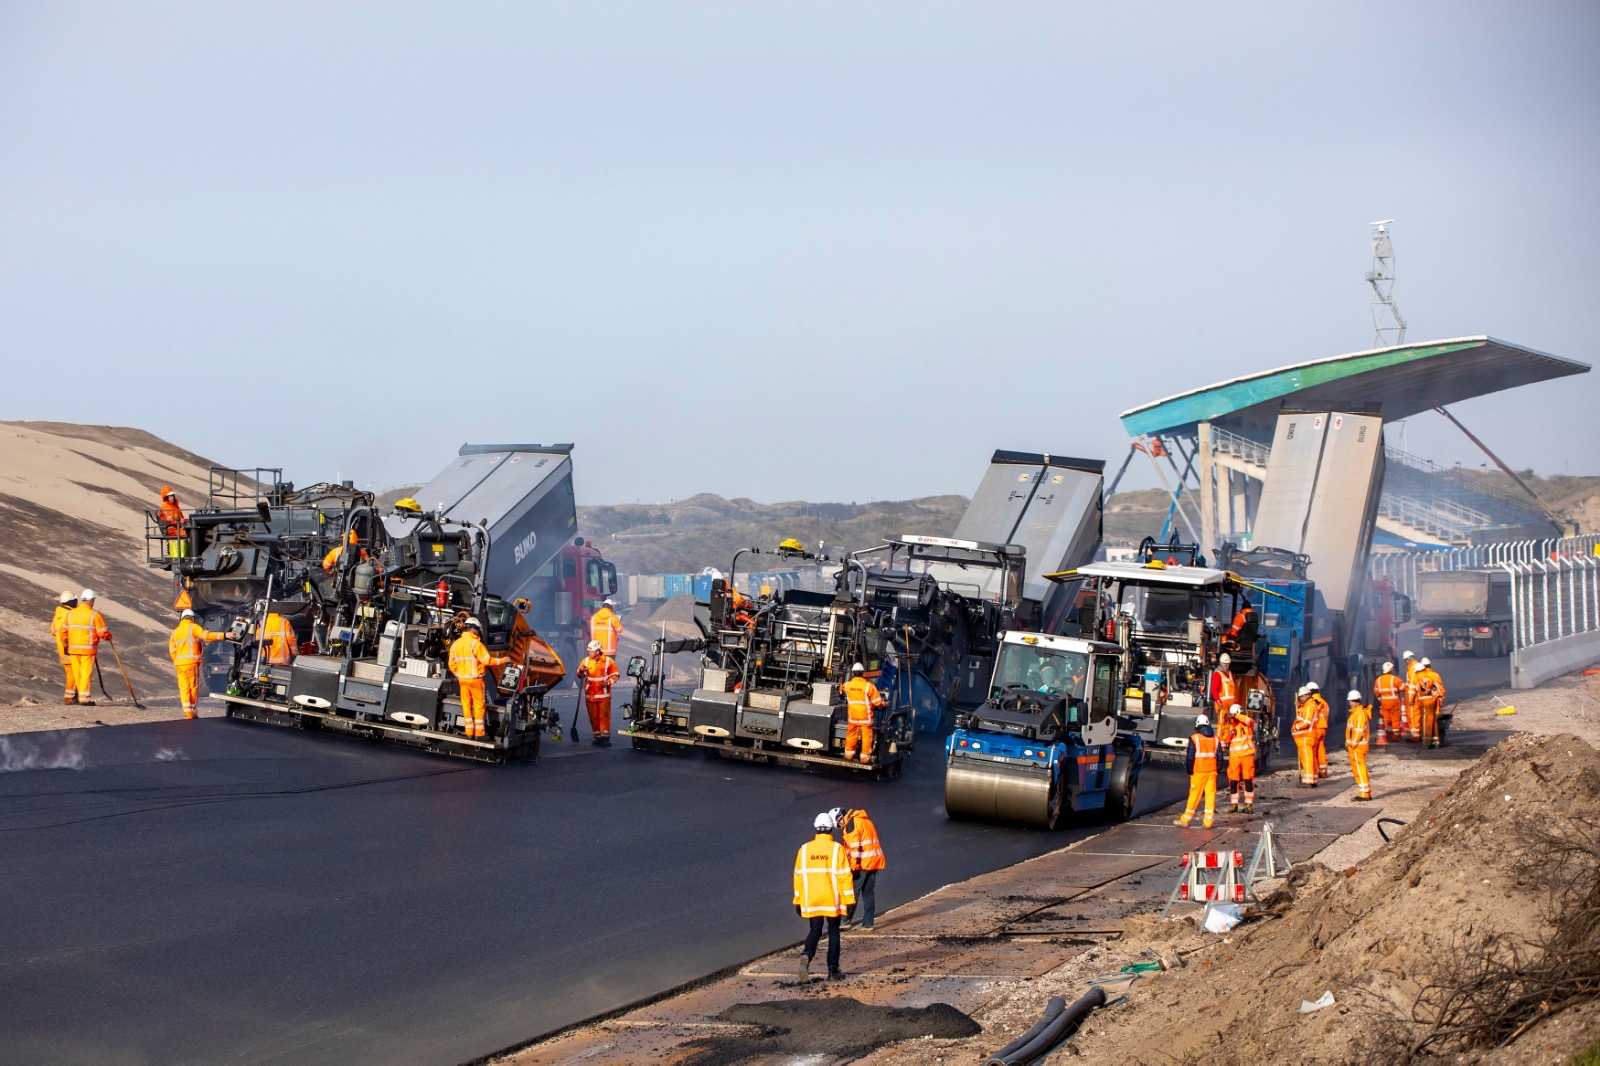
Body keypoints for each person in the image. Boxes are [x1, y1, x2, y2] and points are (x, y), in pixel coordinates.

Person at [793, 810, 854, 980]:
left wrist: (798, 900)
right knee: (833, 931)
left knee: (815, 929)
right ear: (830, 829)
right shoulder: (837, 849)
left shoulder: (804, 849)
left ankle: (807, 954)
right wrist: (849, 900)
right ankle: (832, 971)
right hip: (831, 899)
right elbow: (844, 876)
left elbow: (798, 876)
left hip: (812, 899)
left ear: (816, 828)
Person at [448, 617, 508, 740]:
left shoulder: (456, 644)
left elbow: (451, 664)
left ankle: (469, 732)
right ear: (473, 629)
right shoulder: (476, 644)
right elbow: (487, 661)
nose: (478, 631)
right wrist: (503, 660)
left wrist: (459, 674)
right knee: (479, 705)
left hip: (462, 680)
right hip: (475, 680)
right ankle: (479, 734)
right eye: (477, 629)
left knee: (466, 704)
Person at [835, 806, 886, 930]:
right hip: (874, 861)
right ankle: (868, 923)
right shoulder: (865, 821)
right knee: (868, 893)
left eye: (838, 825)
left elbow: (855, 848)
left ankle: (845, 921)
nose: (840, 827)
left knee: (853, 892)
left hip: (862, 863)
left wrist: (854, 868)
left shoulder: (851, 824)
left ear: (839, 818)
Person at [168, 608, 224, 719]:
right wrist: (224, 635)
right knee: (193, 687)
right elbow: (207, 636)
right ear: (192, 618)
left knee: (184, 688)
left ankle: (187, 711)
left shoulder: (175, 632)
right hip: (191, 663)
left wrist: (177, 661)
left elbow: (172, 650)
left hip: (180, 665)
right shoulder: (193, 627)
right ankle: (192, 711)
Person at [64, 589, 111, 707]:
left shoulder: (71, 613)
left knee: (77, 673)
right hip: (87, 650)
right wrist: (108, 636)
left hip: (73, 650)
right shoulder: (94, 615)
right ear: (92, 601)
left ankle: (80, 695)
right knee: (85, 673)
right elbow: (102, 632)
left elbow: (63, 631)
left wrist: (65, 645)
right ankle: (84, 698)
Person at [1173, 713, 1219, 829]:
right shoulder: (1215, 739)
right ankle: (1208, 822)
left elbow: (1190, 757)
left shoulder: (1194, 738)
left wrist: (1189, 771)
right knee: (1210, 795)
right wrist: (1217, 770)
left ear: (1197, 725)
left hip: (1199, 771)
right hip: (1212, 771)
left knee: (1194, 795)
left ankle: (1185, 820)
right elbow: (1220, 757)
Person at [576, 639, 620, 747]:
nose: (589, 653)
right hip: (590, 696)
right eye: (589, 651)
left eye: (591, 651)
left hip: (603, 696)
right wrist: (580, 670)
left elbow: (616, 675)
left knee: (604, 717)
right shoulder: (586, 661)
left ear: (597, 651)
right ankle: (597, 737)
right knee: (593, 718)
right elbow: (580, 676)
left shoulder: (608, 661)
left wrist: (608, 682)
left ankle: (605, 738)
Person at [841, 662, 887, 763]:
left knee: (851, 734)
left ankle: (848, 755)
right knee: (867, 736)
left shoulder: (847, 685)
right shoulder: (868, 686)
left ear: (852, 673)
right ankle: (865, 758)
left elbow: (842, 688)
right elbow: (877, 702)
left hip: (853, 716)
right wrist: (885, 703)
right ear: (863, 673)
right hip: (866, 717)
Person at [1225, 704, 1256, 813]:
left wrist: (1235, 715)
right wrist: (1229, 732)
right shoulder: (1230, 725)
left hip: (1247, 755)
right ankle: (1234, 804)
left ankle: (1248, 804)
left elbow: (1250, 721)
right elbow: (1225, 739)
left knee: (1248, 780)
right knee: (1233, 781)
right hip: (1235, 757)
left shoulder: (1246, 723)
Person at [1345, 689, 1373, 800]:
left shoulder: (1360, 714)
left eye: (1352, 701)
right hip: (1356, 746)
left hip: (1358, 746)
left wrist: (1352, 743)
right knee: (1358, 768)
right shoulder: (1357, 713)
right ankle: (1364, 791)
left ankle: (1364, 792)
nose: (1350, 703)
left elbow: (1358, 731)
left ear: (1358, 702)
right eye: (1350, 701)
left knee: (1359, 768)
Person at [1414, 657, 1447, 748]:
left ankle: (1427, 741)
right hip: (1435, 702)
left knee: (1427, 722)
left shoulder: (1421, 677)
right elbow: (1440, 689)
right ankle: (1436, 741)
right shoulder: (1435, 675)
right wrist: (1440, 699)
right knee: (1435, 722)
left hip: (1426, 703)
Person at [51, 591, 77, 704]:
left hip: (62, 650)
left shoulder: (57, 615)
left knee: (70, 673)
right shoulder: (70, 614)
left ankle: (73, 696)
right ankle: (70, 697)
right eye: (75, 600)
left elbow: (53, 631)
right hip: (71, 649)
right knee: (74, 674)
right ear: (70, 602)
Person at [1291, 686, 1319, 787]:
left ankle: (1308, 780)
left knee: (1307, 758)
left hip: (1306, 736)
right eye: (1300, 697)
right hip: (1305, 736)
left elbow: (1306, 722)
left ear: (1308, 695)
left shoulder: (1309, 706)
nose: (1301, 698)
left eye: (1302, 696)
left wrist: (1296, 727)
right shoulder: (1306, 706)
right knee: (1309, 758)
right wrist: (1299, 706)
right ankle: (1313, 779)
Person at [1373, 661, 1404, 746]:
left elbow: (1376, 692)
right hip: (1394, 702)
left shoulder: (1378, 680)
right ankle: (1395, 736)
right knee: (1395, 719)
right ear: (1390, 670)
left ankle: (1385, 735)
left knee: (1385, 719)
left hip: (1384, 702)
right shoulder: (1395, 679)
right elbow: (1403, 688)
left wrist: (1381, 699)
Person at [1307, 681, 1330, 779]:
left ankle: (1315, 771)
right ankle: (1323, 771)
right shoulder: (1325, 703)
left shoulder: (1312, 703)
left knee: (1313, 750)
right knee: (1321, 749)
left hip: (1315, 728)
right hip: (1323, 728)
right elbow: (1326, 716)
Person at [1402, 650, 1422, 741]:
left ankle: (1415, 736)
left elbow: (1412, 686)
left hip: (1414, 698)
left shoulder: (1412, 670)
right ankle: (1419, 734)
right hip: (1418, 696)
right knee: (1418, 715)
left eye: (1405, 660)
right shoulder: (1417, 667)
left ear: (1408, 659)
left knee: (1413, 716)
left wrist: (1410, 699)